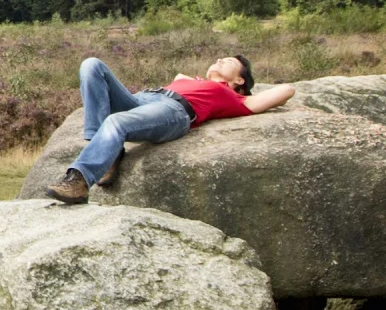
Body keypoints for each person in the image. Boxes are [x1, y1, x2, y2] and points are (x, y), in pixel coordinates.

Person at [44, 53, 295, 202]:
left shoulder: (234, 97)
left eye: (228, 61)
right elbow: (179, 78)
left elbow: (287, 90)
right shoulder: (195, 82)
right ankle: (105, 152)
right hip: (144, 99)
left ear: (240, 80)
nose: (219, 59)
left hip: (173, 111)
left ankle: (79, 181)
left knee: (115, 121)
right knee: (91, 65)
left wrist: (239, 89)